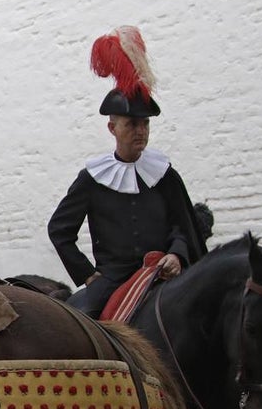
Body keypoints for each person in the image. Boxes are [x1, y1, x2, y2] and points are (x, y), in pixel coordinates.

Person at [48, 26, 206, 318]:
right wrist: (87, 274)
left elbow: (183, 225)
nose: (140, 131)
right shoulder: (92, 178)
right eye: (131, 125)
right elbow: (59, 229)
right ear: (113, 128)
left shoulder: (164, 174)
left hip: (161, 274)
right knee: (77, 324)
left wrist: (177, 253)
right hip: (111, 280)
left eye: (145, 124)